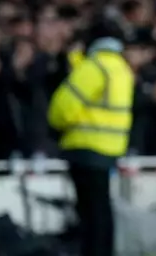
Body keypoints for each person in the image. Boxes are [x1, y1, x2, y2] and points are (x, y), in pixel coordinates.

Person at [47, 17, 135, 256]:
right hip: (111, 148)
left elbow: (62, 108)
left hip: (85, 147)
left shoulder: (95, 66)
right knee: (102, 213)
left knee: (89, 216)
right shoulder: (121, 68)